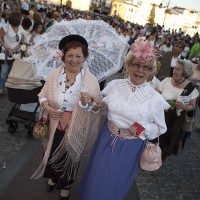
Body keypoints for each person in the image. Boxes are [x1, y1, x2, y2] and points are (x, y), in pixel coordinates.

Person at [79, 40, 169, 200]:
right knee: (96, 177)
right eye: (136, 64)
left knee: (113, 182)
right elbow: (102, 107)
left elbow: (161, 128)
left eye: (146, 67)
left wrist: (142, 129)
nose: (140, 70)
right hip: (106, 138)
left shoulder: (154, 98)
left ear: (151, 71)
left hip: (130, 147)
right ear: (128, 65)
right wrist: (91, 103)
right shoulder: (115, 85)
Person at [31, 35, 102, 200]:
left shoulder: (90, 81)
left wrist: (88, 102)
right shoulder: (55, 75)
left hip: (76, 126)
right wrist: (48, 107)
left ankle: (66, 185)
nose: (74, 60)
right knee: (51, 151)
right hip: (54, 123)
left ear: (84, 58)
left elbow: (97, 107)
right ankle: (53, 177)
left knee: (69, 158)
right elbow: (42, 95)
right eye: (70, 55)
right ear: (63, 56)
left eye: (78, 56)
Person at [156, 59, 199, 161]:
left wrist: (184, 106)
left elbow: (192, 106)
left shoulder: (191, 89)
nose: (174, 71)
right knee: (154, 137)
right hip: (160, 115)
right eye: (175, 68)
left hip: (175, 120)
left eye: (178, 69)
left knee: (167, 140)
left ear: (185, 72)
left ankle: (159, 160)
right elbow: (155, 94)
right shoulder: (166, 81)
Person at [0, 12, 24, 96]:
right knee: (4, 71)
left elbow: (22, 41)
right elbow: (0, 37)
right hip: (6, 52)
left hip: (17, 53)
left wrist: (16, 49)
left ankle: (14, 91)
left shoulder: (21, 28)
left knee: (15, 73)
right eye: (20, 19)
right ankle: (1, 88)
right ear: (16, 20)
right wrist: (7, 48)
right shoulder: (6, 27)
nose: (21, 20)